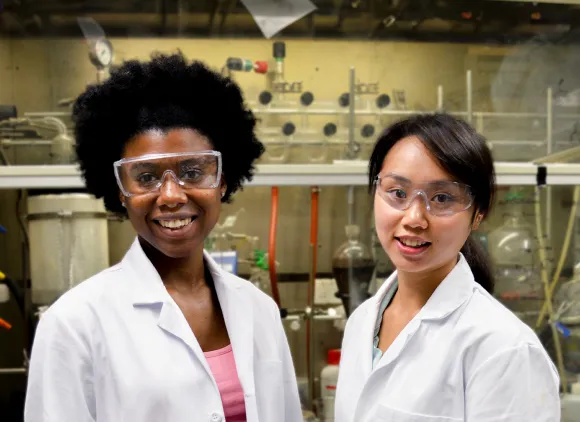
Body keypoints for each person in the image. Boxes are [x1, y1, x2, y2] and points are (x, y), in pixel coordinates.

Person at [24, 52, 303, 422]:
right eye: (146, 176)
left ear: (221, 180)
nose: (171, 195)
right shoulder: (73, 324)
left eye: (192, 171)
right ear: (120, 190)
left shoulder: (260, 310)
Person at [334, 113, 560, 422]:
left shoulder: (504, 348)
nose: (414, 218)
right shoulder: (361, 322)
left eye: (441, 198)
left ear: (478, 213)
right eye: (397, 193)